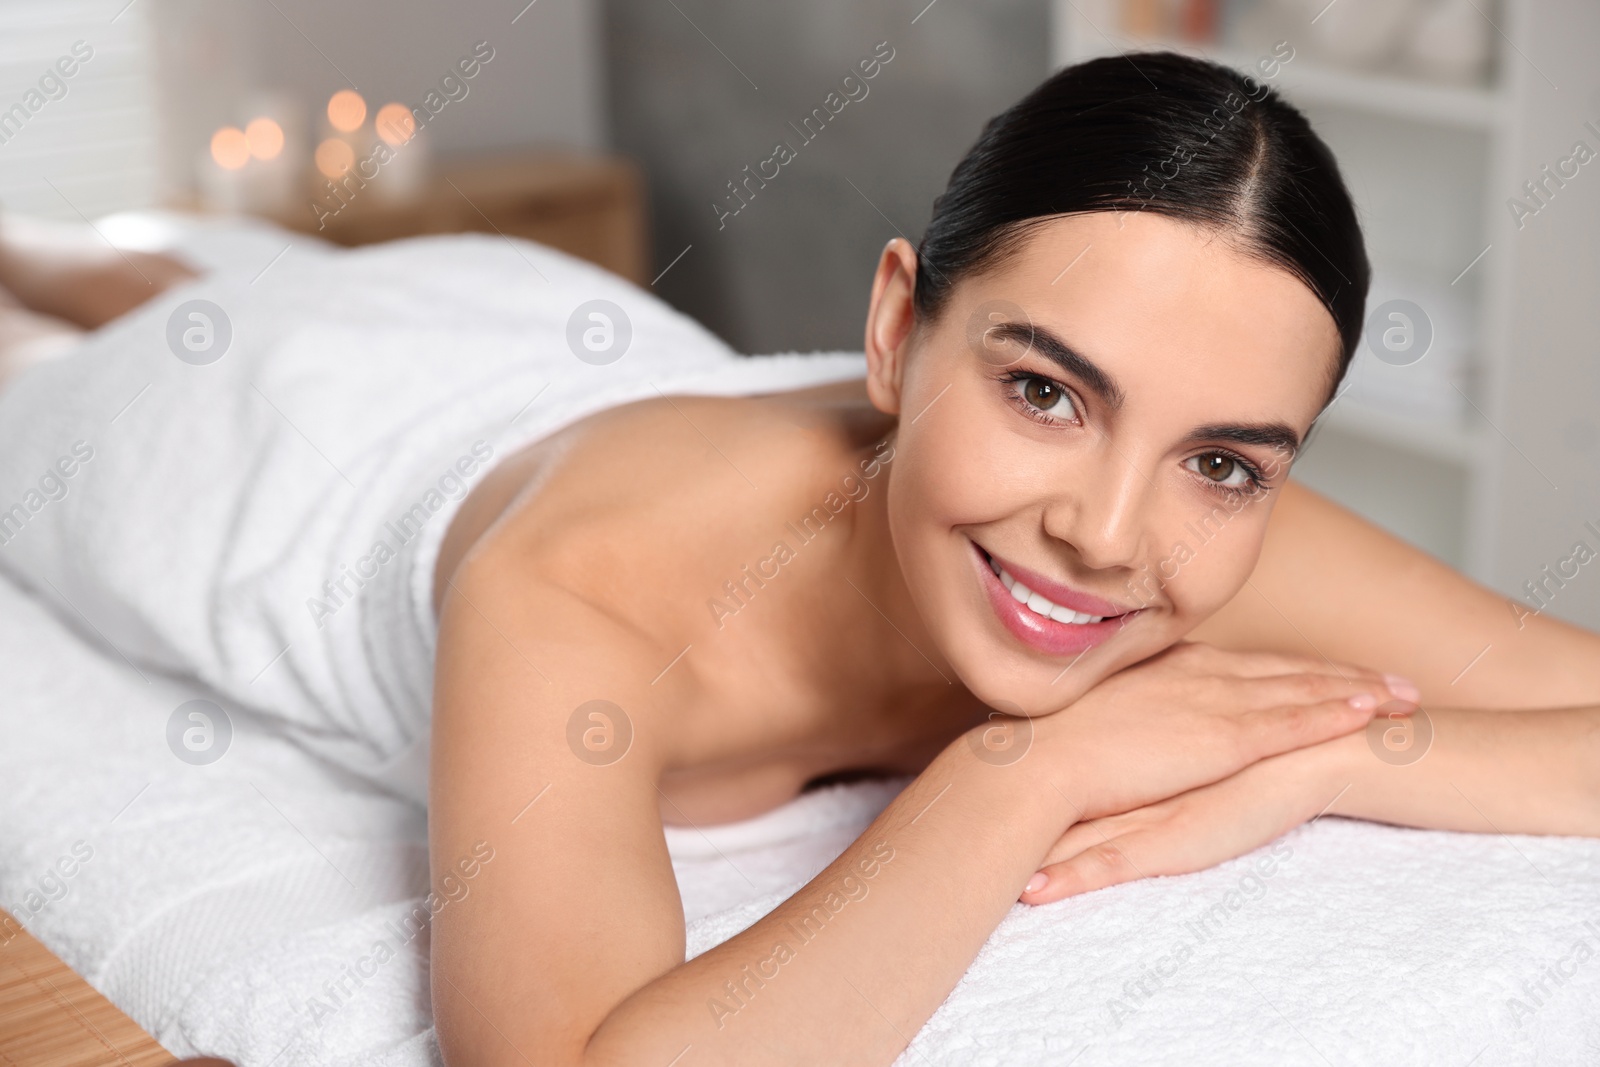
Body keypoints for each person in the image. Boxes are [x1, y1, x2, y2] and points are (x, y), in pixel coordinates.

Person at [0, 52, 1596, 1066]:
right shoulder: (573, 596)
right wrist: (1023, 774)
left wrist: (1324, 766)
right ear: (897, 331)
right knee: (145, 305)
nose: (1108, 538)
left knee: (230, 266)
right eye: (1043, 390)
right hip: (265, 442)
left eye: (1224, 462)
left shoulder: (1178, 524)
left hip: (553, 349)